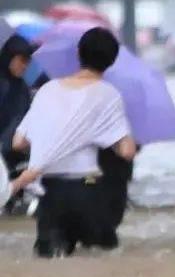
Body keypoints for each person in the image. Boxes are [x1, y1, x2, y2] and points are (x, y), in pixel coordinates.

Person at [9, 28, 137, 257]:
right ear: (111, 61)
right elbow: (127, 151)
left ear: (78, 53)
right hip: (87, 190)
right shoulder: (108, 94)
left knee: (51, 262)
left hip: (49, 195)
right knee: (103, 261)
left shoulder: (47, 90)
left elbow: (18, 143)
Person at [1, 33, 35, 213]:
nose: (24, 66)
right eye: (21, 60)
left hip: (16, 153)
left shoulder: (22, 88)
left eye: (27, 61)